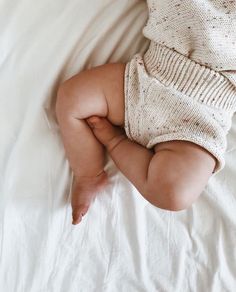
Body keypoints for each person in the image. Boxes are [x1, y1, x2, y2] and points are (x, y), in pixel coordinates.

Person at [56, 0, 236, 225]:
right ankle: (88, 173)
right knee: (72, 98)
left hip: (202, 116)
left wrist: (114, 141)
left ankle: (115, 142)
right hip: (145, 79)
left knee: (174, 193)